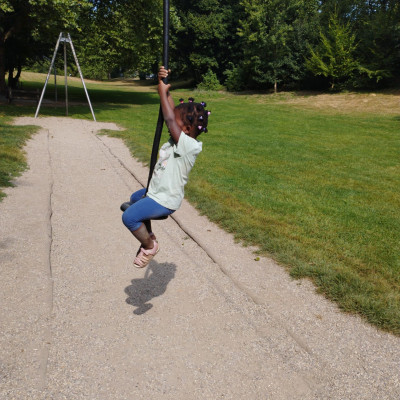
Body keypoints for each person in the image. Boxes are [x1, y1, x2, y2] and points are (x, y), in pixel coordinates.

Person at [122, 66, 210, 268]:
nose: (169, 124)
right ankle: (149, 233)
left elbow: (170, 118)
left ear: (186, 129)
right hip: (157, 191)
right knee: (135, 198)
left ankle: (149, 245)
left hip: (165, 199)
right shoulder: (180, 138)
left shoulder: (188, 146)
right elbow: (171, 113)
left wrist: (161, 93)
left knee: (129, 217)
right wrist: (164, 85)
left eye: (175, 123)